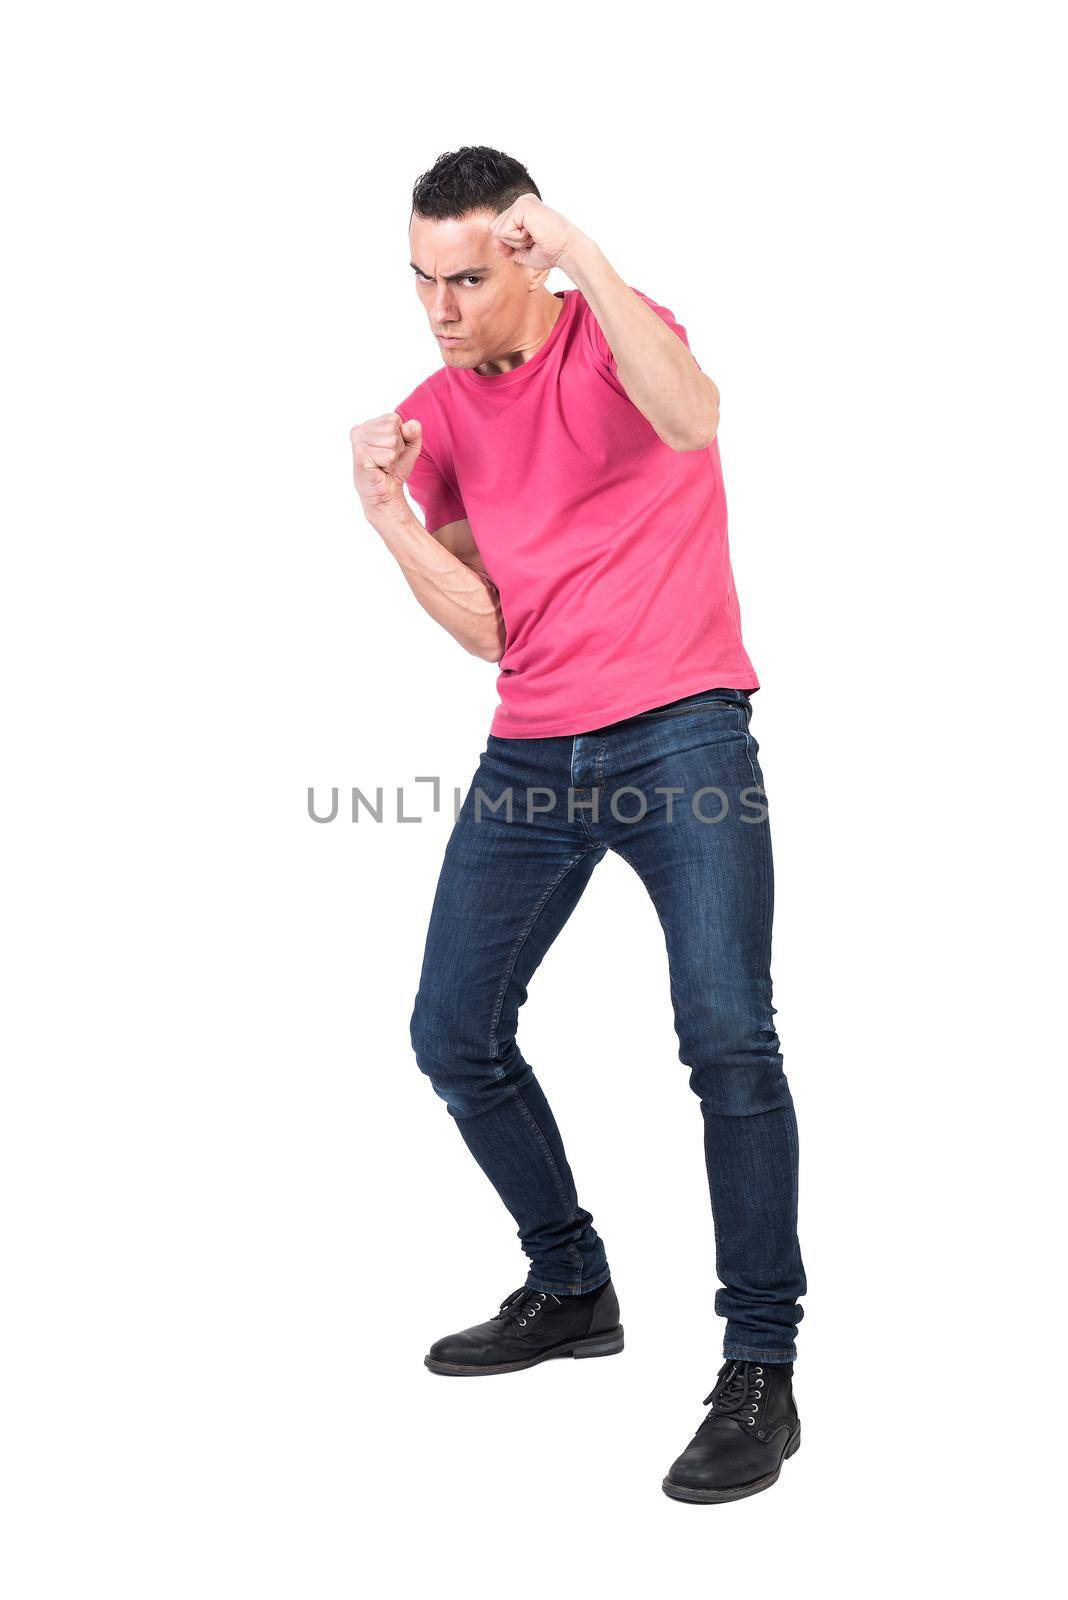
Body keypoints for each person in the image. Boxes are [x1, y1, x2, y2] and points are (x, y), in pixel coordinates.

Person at [349, 146, 806, 1504]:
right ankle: (571, 1286)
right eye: (422, 280)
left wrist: (591, 259)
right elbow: (494, 626)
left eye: (469, 278)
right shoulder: (435, 411)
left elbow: (695, 418)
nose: (440, 307)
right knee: (453, 1032)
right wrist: (388, 518)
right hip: (534, 750)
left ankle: (763, 1369)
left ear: (529, 257)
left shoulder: (624, 334)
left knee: (727, 1032)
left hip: (685, 732)